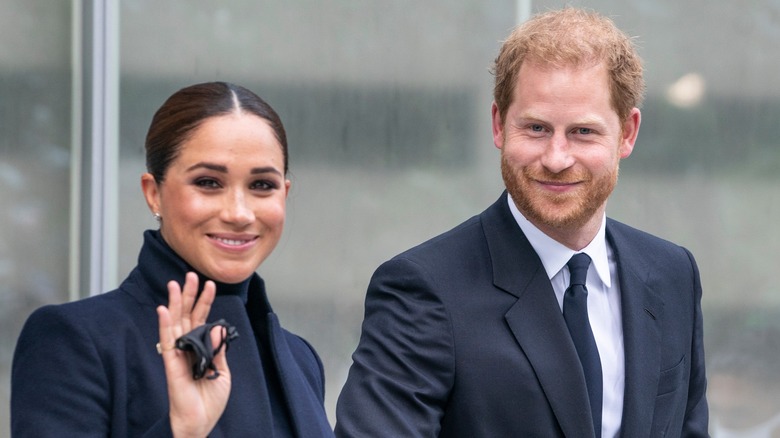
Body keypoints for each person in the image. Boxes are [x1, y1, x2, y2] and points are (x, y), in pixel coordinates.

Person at [335, 8, 708, 438]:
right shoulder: (422, 290)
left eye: (583, 132)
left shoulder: (672, 273)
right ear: (498, 124)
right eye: (535, 128)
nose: (555, 158)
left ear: (627, 134)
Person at [11, 82, 335, 437]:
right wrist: (181, 430)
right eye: (209, 182)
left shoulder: (299, 359)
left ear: (284, 194)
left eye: (262, 185)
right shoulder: (74, 341)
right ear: (154, 194)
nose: (240, 213)